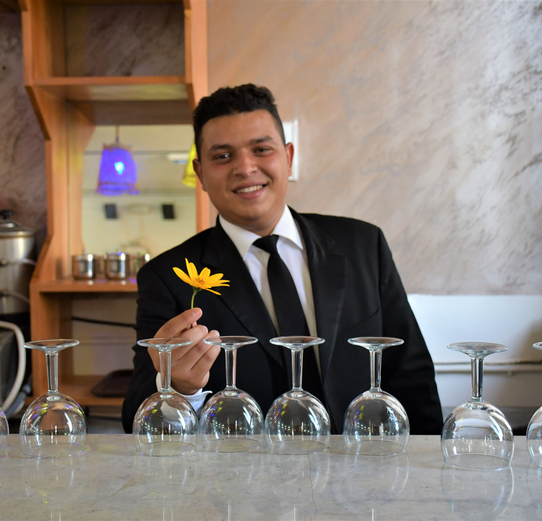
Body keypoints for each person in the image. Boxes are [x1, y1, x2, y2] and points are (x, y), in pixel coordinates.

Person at [121, 84, 443, 434]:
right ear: (200, 174)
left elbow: (412, 375)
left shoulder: (364, 245)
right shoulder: (167, 277)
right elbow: (134, 416)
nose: (245, 168)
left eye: (261, 149)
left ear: (288, 157)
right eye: (223, 156)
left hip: (362, 459)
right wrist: (178, 388)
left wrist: (427, 463)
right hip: (246, 465)